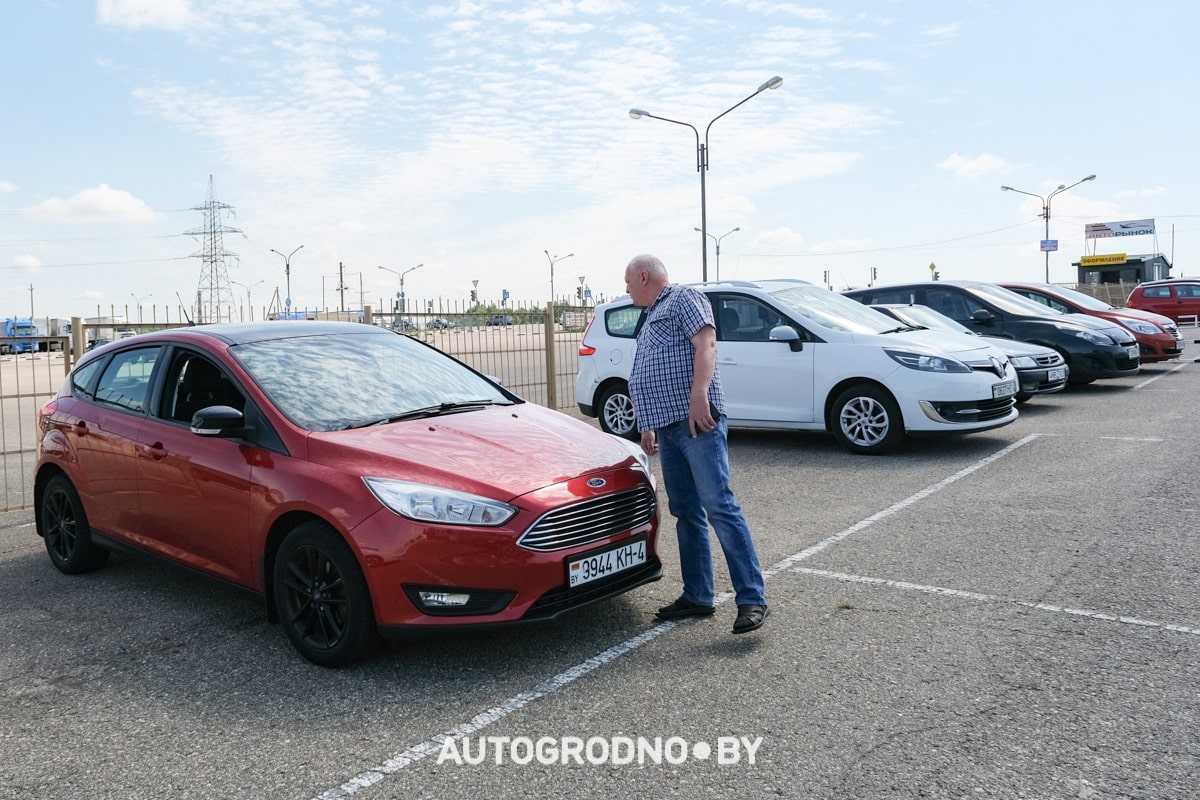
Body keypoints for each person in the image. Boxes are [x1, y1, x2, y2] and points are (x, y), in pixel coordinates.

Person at [623, 254, 768, 634]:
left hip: (695, 423)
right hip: (667, 428)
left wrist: (699, 395)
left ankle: (752, 597)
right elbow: (649, 371)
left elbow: (707, 345)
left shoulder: (683, 298)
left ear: (643, 276)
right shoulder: (651, 314)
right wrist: (648, 425)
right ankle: (699, 595)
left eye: (628, 282)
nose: (626, 290)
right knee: (686, 511)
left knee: (719, 505)